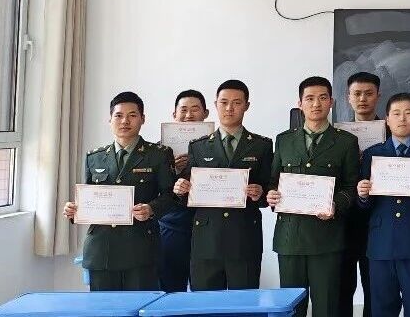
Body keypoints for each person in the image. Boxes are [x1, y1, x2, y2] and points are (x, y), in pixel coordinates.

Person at [63, 92, 176, 291]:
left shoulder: (159, 155)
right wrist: (74, 211)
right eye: (118, 115)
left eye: (132, 115)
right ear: (110, 120)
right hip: (101, 250)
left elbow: (171, 196)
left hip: (140, 249)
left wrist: (151, 209)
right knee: (104, 307)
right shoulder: (94, 157)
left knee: (140, 305)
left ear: (142, 119)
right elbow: (88, 198)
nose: (125, 121)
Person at [267, 77, 361, 317]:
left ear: (332, 102)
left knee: (327, 308)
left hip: (327, 239)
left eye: (322, 98)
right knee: (291, 308)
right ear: (300, 104)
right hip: (290, 238)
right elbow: (273, 181)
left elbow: (351, 187)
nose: (316, 104)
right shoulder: (284, 140)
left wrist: (336, 204)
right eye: (309, 98)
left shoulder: (346, 142)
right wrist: (272, 195)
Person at [172, 80, 273, 290]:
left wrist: (260, 193)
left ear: (246, 106)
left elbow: (269, 191)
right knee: (205, 304)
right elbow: (187, 195)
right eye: (224, 102)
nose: (229, 108)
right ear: (216, 105)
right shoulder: (198, 146)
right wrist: (181, 189)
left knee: (244, 303)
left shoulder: (261, 145)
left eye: (237, 103)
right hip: (206, 240)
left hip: (244, 238)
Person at [356, 93, 410, 317]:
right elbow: (364, 206)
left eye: (408, 113)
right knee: (381, 309)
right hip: (381, 244)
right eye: (396, 113)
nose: (402, 119)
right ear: (387, 119)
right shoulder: (373, 154)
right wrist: (363, 195)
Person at [157, 89, 208, 292]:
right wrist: (175, 170)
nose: (189, 115)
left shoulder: (216, 146)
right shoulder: (158, 150)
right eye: (183, 110)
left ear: (205, 114)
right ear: (174, 114)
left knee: (206, 290)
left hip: (206, 226)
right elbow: (153, 190)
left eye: (195, 109)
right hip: (172, 227)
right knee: (171, 290)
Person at [341, 72, 380, 317]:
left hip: (376, 220)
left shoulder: (392, 130)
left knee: (374, 287)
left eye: (368, 93)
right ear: (348, 97)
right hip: (343, 220)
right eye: (357, 94)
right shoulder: (337, 135)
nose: (362, 99)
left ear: (378, 96)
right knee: (343, 287)